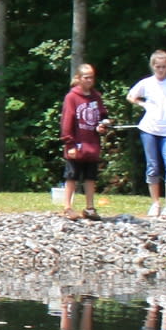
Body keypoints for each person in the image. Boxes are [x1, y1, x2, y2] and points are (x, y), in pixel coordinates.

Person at [127, 50, 166, 220]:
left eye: (164, 67)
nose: (161, 70)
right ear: (153, 67)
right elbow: (131, 96)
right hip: (149, 129)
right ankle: (155, 203)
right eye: (157, 67)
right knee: (153, 166)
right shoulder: (147, 83)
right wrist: (143, 104)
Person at [60, 62, 109, 220]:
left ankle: (90, 207)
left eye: (91, 78)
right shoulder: (72, 97)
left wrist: (102, 126)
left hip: (91, 144)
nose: (89, 81)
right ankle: (67, 207)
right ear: (79, 78)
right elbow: (67, 121)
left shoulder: (96, 97)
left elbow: (102, 116)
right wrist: (70, 143)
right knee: (72, 176)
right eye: (86, 77)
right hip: (76, 144)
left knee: (90, 177)